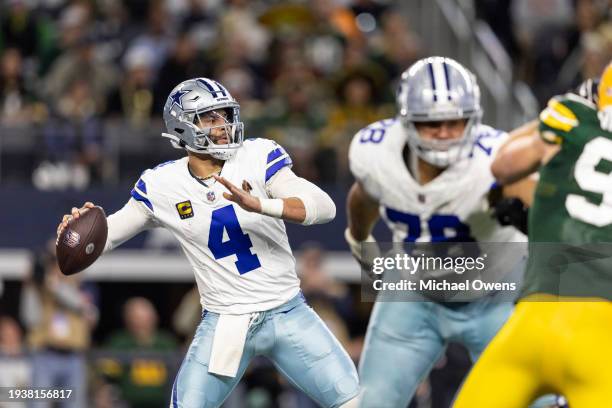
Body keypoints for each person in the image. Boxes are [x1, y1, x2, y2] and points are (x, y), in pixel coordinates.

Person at [57, 77, 359, 408]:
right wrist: (76, 232)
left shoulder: (257, 155)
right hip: (225, 322)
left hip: (287, 310)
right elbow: (106, 236)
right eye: (210, 117)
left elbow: (324, 207)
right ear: (183, 126)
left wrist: (263, 205)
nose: (223, 125)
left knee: (354, 402)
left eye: (225, 115)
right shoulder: (162, 184)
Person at [345, 56, 542, 407]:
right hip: (415, 294)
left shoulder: (494, 159)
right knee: (370, 402)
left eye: (455, 120)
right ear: (406, 121)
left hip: (496, 297)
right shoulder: (377, 153)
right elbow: (364, 196)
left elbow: (549, 210)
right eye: (431, 123)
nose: (445, 133)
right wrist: (361, 241)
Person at [453, 63, 612, 407]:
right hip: (600, 332)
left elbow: (501, 166)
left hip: (533, 321)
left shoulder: (569, 125)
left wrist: (545, 124)